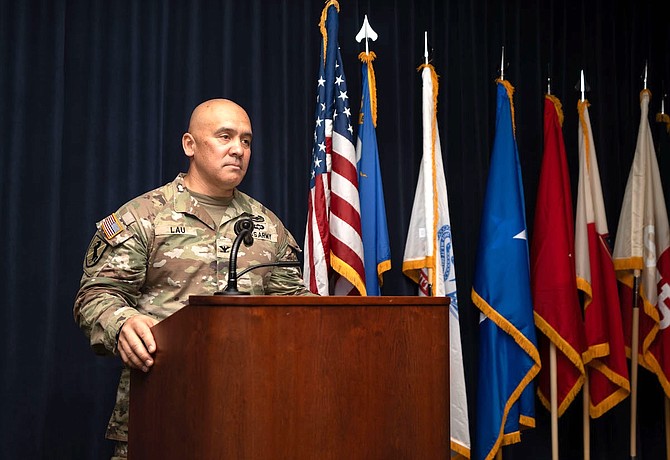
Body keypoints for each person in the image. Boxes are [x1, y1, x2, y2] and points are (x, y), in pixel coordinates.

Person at [73, 98, 315, 459]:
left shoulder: (268, 225)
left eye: (246, 141)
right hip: (161, 409)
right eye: (225, 136)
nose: (238, 149)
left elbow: (294, 305)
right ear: (190, 145)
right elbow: (96, 296)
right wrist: (122, 323)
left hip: (255, 417)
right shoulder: (144, 216)